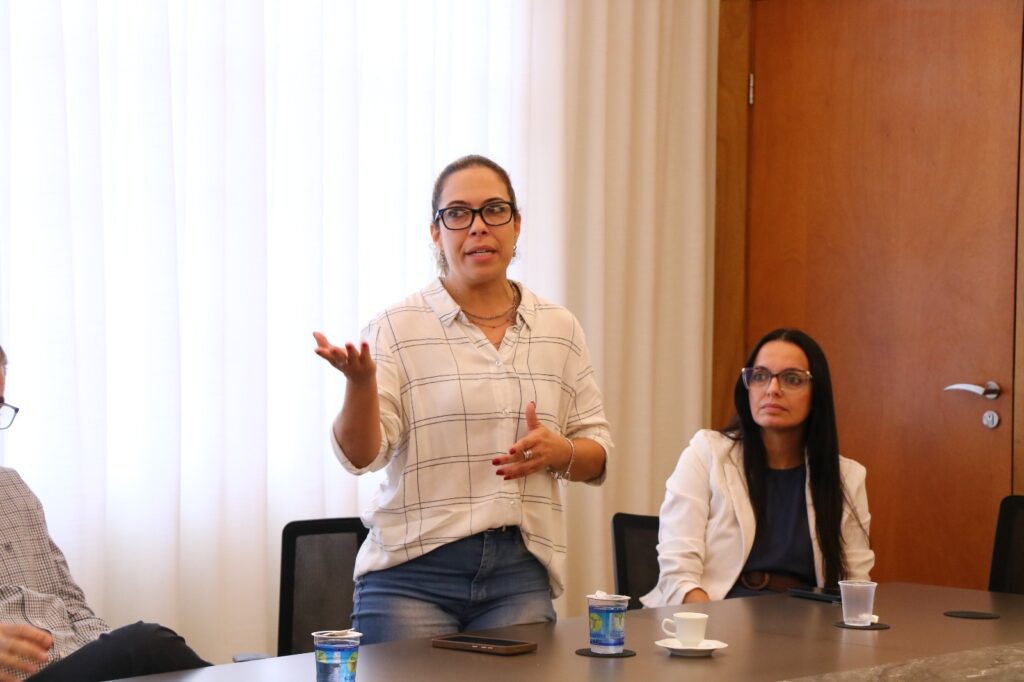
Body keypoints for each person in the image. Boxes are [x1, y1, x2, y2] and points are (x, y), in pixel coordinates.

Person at [313, 154, 614, 644]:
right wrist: (360, 385)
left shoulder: (559, 328)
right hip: (411, 574)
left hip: (519, 573)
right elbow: (362, 457)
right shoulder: (396, 327)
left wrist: (561, 451)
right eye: (457, 214)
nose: (477, 227)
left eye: (494, 210)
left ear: (516, 226)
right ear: (436, 233)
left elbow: (597, 453)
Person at [0, 345, 210, 681]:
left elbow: (72, 604)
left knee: (144, 654)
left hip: (69, 666)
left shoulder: (14, 489)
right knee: (145, 643)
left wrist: (104, 662)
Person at [642, 328, 873, 606]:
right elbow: (678, 575)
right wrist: (710, 626)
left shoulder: (846, 476)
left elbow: (856, 584)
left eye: (792, 379)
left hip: (809, 624)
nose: (772, 389)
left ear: (816, 394)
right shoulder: (707, 453)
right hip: (717, 617)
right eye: (760, 376)